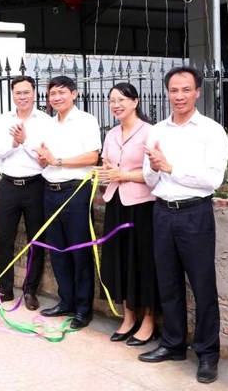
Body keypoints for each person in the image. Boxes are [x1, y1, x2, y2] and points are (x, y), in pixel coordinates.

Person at [139, 66, 228, 385]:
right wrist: (155, 168)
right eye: (174, 90)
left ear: (197, 92)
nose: (179, 96)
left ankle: (207, 353)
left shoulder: (211, 130)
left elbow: (212, 179)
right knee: (169, 282)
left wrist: (170, 166)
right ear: (167, 92)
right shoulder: (157, 131)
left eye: (185, 90)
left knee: (202, 284)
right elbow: (150, 177)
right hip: (162, 212)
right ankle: (173, 343)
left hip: (195, 214)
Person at [95, 82, 159, 345]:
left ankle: (149, 320)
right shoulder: (111, 134)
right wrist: (105, 171)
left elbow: (153, 173)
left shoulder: (150, 132)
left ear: (135, 101)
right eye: (111, 100)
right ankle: (128, 316)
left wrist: (124, 175)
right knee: (118, 260)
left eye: (121, 99)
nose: (116, 104)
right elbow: (106, 165)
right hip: (116, 203)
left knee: (143, 262)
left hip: (143, 206)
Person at [35, 76, 101, 330]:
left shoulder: (86, 121)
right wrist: (44, 159)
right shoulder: (48, 125)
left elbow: (93, 156)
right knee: (58, 250)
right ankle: (66, 301)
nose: (56, 97)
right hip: (49, 191)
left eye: (62, 92)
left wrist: (57, 160)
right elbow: (46, 160)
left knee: (79, 250)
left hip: (76, 191)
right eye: (52, 93)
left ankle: (83, 309)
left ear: (74, 94)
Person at [0, 75, 50, 311]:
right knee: (4, 240)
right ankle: (4, 289)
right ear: (12, 95)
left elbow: (44, 156)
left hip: (36, 185)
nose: (22, 97)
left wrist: (24, 141)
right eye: (18, 93)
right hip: (8, 187)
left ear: (34, 94)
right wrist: (13, 144)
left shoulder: (45, 121)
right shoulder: (3, 120)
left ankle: (30, 291)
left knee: (37, 240)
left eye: (26, 92)